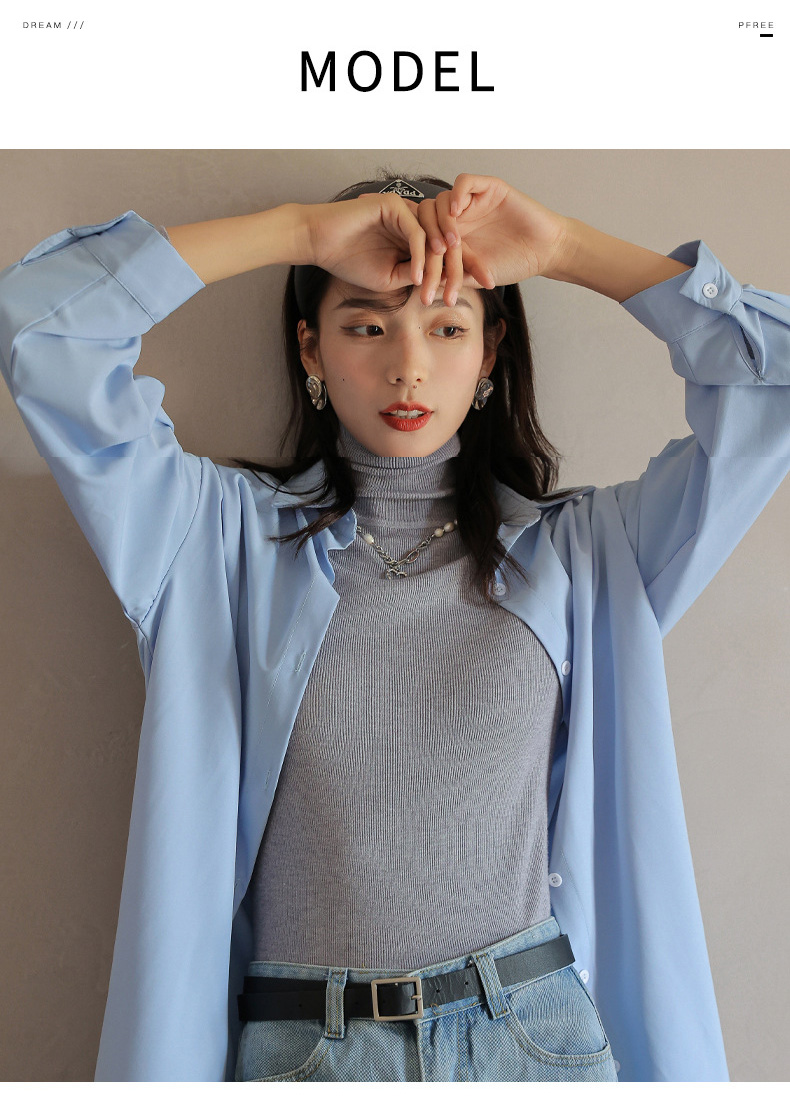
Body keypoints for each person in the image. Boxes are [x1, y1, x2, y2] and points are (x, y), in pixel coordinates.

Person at [0, 170, 788, 1083]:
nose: (408, 366)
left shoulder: (584, 553)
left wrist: (567, 250)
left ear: (489, 354)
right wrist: (300, 233)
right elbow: (42, 330)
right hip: (309, 1051)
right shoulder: (211, 537)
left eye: (447, 327)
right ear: (311, 347)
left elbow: (769, 381)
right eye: (366, 326)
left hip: (533, 1041)